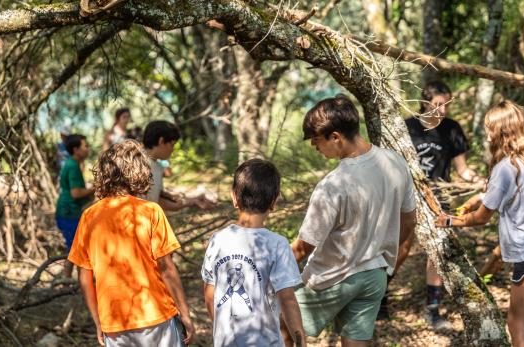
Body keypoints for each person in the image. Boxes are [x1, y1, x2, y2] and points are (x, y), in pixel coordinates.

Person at [288, 95, 417, 347]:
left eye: (317, 142)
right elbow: (410, 221)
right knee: (356, 341)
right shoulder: (396, 162)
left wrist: (271, 272)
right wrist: (384, 250)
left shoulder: (333, 185)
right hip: (375, 275)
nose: (316, 148)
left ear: (335, 137)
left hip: (334, 276)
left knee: (283, 323)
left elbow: (304, 247)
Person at [436, 100, 524, 347]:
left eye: (489, 128)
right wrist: (473, 201)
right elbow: (504, 194)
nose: (486, 135)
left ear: (502, 132)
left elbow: (483, 217)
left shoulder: (506, 168)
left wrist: (451, 219)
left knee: (518, 323)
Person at [68, 140, 196, 347]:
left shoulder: (89, 216)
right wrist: (185, 314)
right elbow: (167, 269)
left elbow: (84, 277)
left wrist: (98, 320)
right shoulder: (151, 211)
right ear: (139, 171)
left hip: (115, 324)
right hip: (156, 317)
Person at [388, 80, 487, 329]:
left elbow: (462, 169)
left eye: (448, 105)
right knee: (400, 248)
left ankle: (433, 309)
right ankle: (378, 295)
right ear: (425, 103)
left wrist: (480, 180)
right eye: (438, 105)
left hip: (439, 200)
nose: (443, 110)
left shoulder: (452, 128)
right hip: (406, 198)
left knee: (437, 252)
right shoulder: (406, 127)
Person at [201, 159, 306, 347]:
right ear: (274, 201)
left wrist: (221, 330)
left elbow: (210, 293)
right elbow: (288, 300)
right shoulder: (278, 245)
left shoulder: (217, 240)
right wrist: (301, 342)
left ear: (234, 197)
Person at [142, 120, 215, 210]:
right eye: (172, 145)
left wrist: (194, 200)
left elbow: (159, 201)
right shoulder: (137, 164)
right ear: (161, 141)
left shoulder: (157, 166)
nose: (172, 150)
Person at [55, 134, 94, 278]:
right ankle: (69, 278)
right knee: (75, 247)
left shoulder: (74, 164)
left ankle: (67, 277)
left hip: (70, 211)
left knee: (74, 246)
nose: (87, 149)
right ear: (76, 149)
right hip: (68, 212)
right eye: (85, 146)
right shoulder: (72, 166)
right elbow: (76, 193)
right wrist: (94, 188)